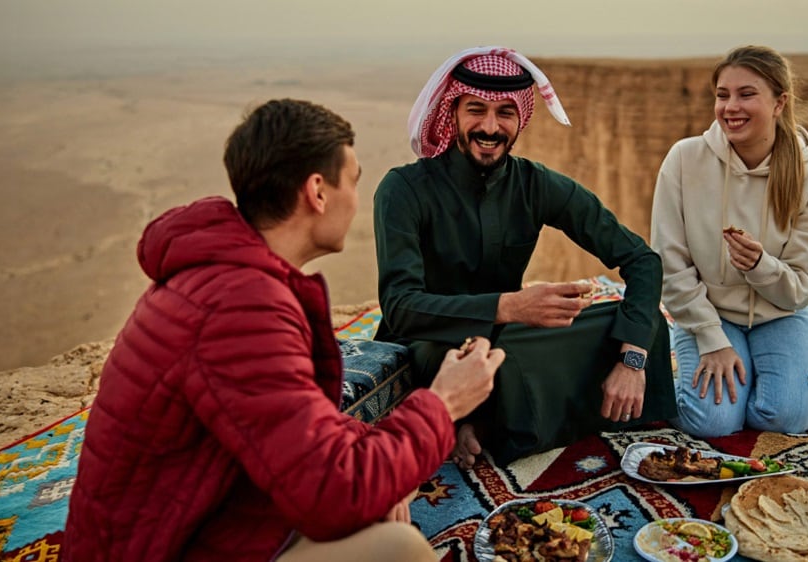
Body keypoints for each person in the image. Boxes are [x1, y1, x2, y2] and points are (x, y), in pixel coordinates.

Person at [62, 99, 505, 562]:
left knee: (386, 491)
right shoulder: (240, 309)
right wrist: (444, 402)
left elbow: (295, 427)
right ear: (317, 192)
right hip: (158, 547)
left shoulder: (232, 280)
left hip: (194, 522)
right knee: (397, 548)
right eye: (352, 181)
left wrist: (381, 475)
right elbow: (335, 492)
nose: (356, 199)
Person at [373, 46, 676, 468]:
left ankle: (479, 423)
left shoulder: (535, 185)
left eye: (505, 113)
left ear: (522, 119)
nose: (490, 127)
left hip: (512, 339)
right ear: (453, 111)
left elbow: (642, 260)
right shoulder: (403, 190)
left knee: (637, 326)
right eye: (476, 110)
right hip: (433, 342)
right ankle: (480, 421)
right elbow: (401, 308)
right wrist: (510, 306)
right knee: (463, 358)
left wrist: (631, 359)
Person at [650, 45, 808, 438]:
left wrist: (761, 267)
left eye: (747, 94)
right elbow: (669, 264)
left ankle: (780, 364)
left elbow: (801, 290)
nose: (730, 107)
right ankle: (674, 377)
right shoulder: (684, 160)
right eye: (723, 95)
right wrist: (711, 339)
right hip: (711, 312)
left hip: (784, 314)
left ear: (779, 103)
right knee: (713, 422)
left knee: (786, 418)